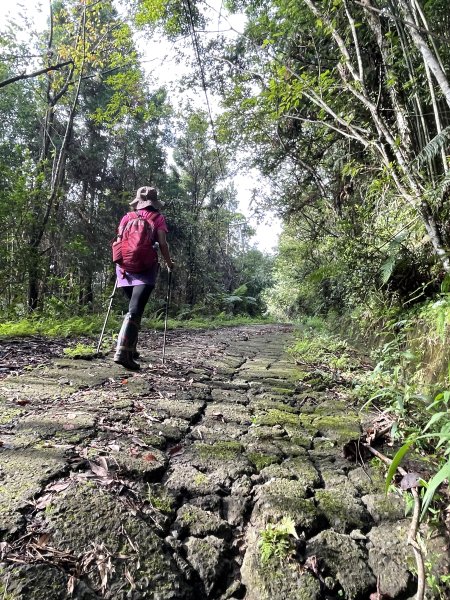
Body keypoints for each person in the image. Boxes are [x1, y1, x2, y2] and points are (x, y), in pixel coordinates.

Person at [113, 186, 174, 370]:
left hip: (124, 269)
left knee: (134, 309)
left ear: (138, 201)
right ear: (154, 203)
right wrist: (170, 264)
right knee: (135, 309)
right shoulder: (158, 218)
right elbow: (162, 244)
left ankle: (131, 348)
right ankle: (123, 353)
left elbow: (119, 240)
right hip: (146, 270)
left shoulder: (127, 217)